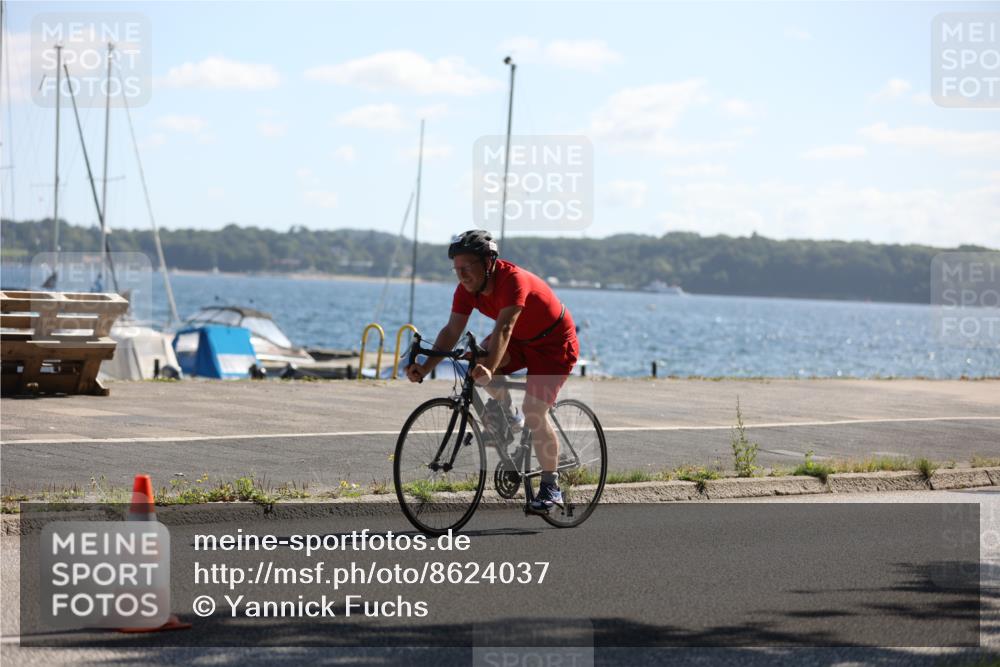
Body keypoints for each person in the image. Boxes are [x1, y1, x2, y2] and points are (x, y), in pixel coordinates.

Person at [405, 230, 579, 514]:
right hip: (521, 341)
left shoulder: (512, 281)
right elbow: (451, 330)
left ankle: (551, 486)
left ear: (488, 263)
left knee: (535, 411)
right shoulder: (466, 290)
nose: (462, 275)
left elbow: (505, 329)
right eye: (457, 269)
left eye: (467, 268)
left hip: (553, 343)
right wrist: (425, 366)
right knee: (476, 360)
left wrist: (490, 366)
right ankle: (509, 417)